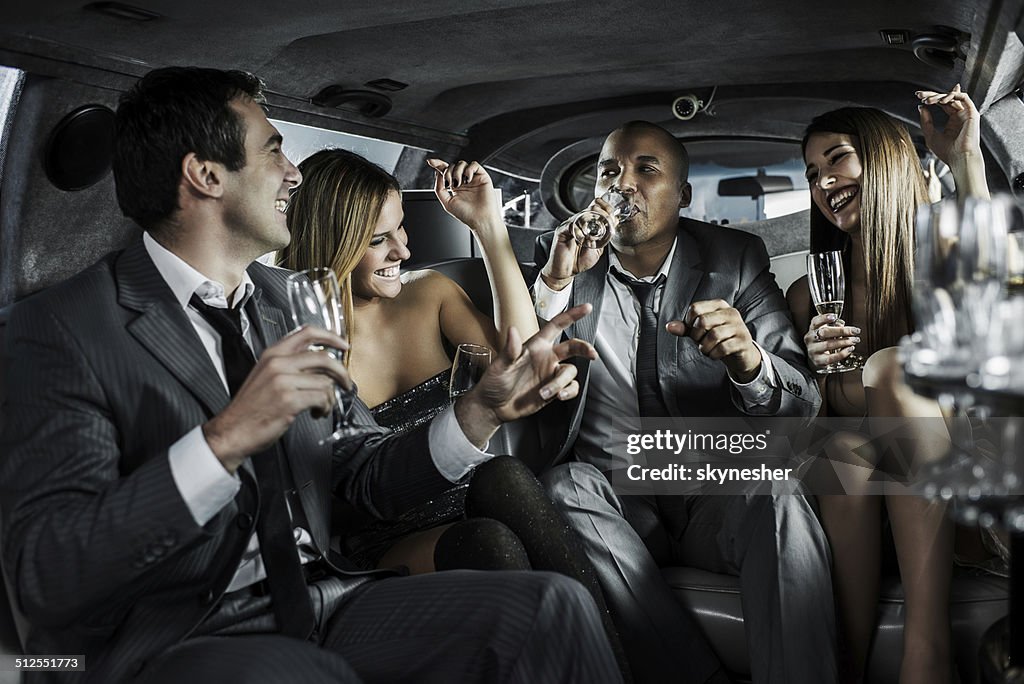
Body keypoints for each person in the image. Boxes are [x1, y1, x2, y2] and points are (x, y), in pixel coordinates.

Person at [0, 66, 622, 684]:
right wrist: (224, 441)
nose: (293, 172)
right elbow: (47, 577)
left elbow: (358, 474)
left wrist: (479, 411)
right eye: (273, 149)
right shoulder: (57, 329)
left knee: (550, 607)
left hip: (325, 596)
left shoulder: (288, 302)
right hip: (184, 634)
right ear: (206, 175)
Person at [280, 148, 634, 680]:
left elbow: (514, 362)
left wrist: (489, 224)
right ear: (331, 244)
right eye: (379, 240)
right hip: (381, 536)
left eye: (400, 230)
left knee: (504, 475)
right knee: (489, 541)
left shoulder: (429, 294)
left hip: (476, 497)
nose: (403, 248)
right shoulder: (298, 337)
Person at [532, 120, 836, 684]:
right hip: (616, 503)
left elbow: (802, 406)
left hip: (712, 494)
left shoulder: (735, 258)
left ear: (684, 196)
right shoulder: (564, 265)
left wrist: (748, 360)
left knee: (776, 487)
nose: (623, 185)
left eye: (647, 170)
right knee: (561, 487)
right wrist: (553, 285)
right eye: (609, 171)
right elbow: (521, 381)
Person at [787, 86, 988, 684]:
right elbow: (821, 422)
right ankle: (844, 660)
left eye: (837, 158)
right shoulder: (810, 296)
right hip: (872, 506)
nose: (823, 181)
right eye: (812, 172)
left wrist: (965, 160)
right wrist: (821, 375)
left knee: (892, 369)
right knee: (841, 448)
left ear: (883, 159)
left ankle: (927, 655)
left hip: (971, 496)